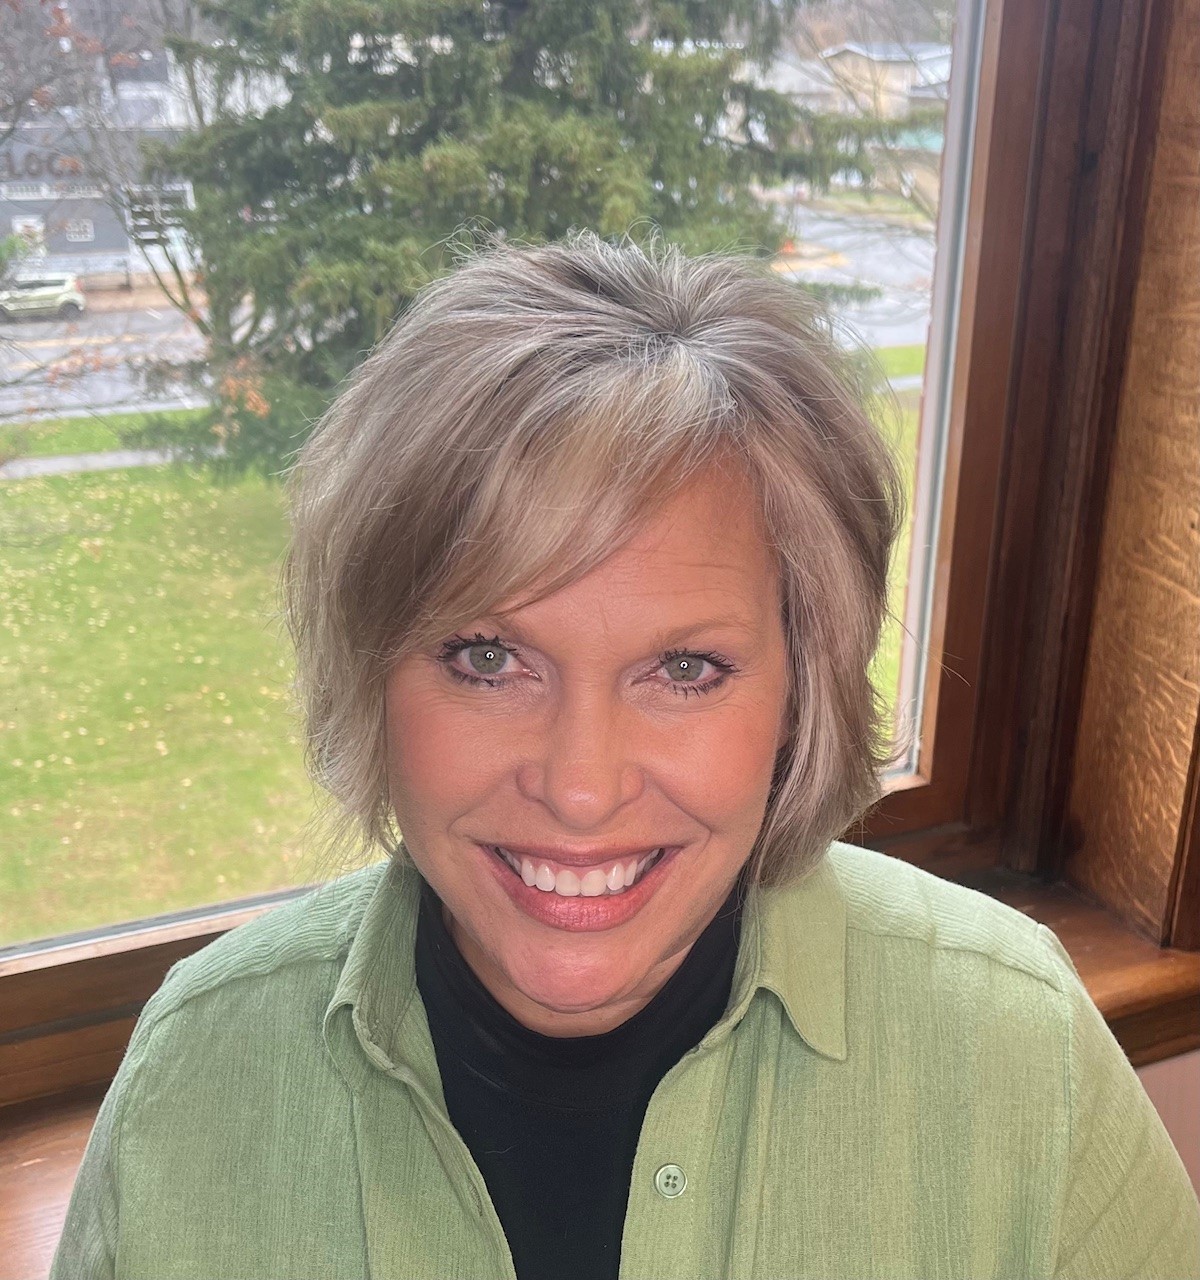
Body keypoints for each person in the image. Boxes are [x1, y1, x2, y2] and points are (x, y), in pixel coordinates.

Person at [51, 231, 1199, 1280]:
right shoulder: (194, 1084)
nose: (581, 786)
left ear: (800, 692)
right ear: (370, 671)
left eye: (684, 667)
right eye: (487, 656)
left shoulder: (1018, 1055)